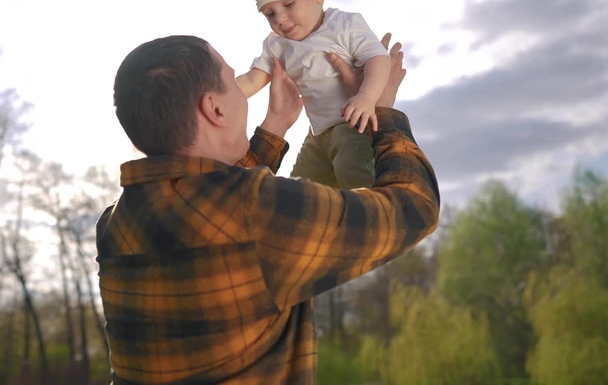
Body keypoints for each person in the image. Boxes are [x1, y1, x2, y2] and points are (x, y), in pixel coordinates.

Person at [97, 33, 440, 384]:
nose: (241, 89)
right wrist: (380, 109)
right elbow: (415, 206)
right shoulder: (255, 211)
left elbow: (214, 207)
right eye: (233, 81)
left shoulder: (114, 223)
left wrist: (276, 123)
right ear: (215, 108)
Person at [237, 0, 391, 190]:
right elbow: (252, 80)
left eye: (289, 4)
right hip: (317, 136)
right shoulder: (277, 44)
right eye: (269, 14)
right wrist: (218, 95)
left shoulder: (344, 24)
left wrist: (366, 96)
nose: (280, 19)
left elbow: (379, 58)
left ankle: (375, 212)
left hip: (352, 126)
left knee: (359, 183)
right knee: (299, 190)